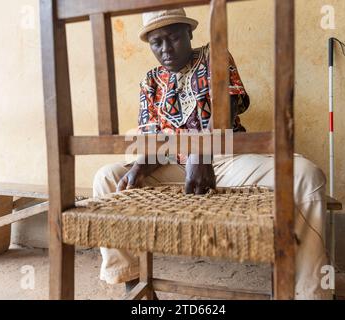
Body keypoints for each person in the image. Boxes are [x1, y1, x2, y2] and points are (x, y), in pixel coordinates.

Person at [93, 8, 332, 300]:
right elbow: (153, 140)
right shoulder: (150, 81)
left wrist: (201, 152)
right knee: (107, 178)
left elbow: (226, 112)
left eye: (174, 37)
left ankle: (310, 292)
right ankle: (132, 281)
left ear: (189, 33)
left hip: (225, 160)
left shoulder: (214, 56)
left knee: (307, 176)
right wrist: (139, 168)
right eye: (157, 42)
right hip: (173, 167)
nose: (166, 49)